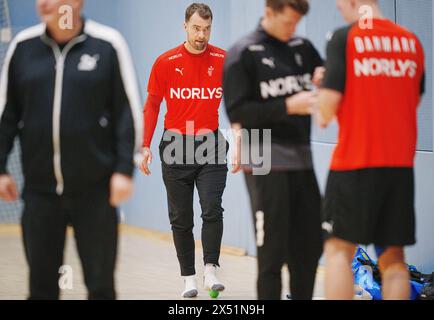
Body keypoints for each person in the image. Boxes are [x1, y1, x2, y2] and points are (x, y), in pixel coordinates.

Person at [0, 0, 142, 299]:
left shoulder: (107, 44)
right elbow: (7, 115)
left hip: (96, 193)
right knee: (41, 288)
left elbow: (126, 112)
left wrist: (124, 170)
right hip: (40, 194)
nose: (44, 3)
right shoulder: (22, 49)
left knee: (101, 287)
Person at [318, 0, 425, 300]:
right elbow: (410, 100)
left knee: (339, 251)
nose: (340, 9)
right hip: (399, 169)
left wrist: (326, 84)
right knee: (393, 261)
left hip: (355, 164)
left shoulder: (344, 38)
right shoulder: (410, 41)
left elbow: (326, 112)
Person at [223, 0, 324, 300]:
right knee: (271, 255)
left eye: (296, 23)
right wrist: (287, 106)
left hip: (301, 159)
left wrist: (325, 77)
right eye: (288, 22)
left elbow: (325, 73)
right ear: (269, 13)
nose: (292, 29)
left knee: (307, 251)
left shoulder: (302, 48)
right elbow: (238, 111)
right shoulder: (243, 53)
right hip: (263, 159)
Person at [139, 3, 228, 298]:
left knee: (212, 208)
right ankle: (189, 278)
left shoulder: (223, 60)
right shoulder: (166, 62)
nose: (201, 35)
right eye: (196, 28)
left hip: (211, 144)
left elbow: (241, 100)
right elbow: (152, 105)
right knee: (181, 218)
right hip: (175, 146)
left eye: (206, 29)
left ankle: (211, 268)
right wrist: (145, 145)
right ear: (185, 26)